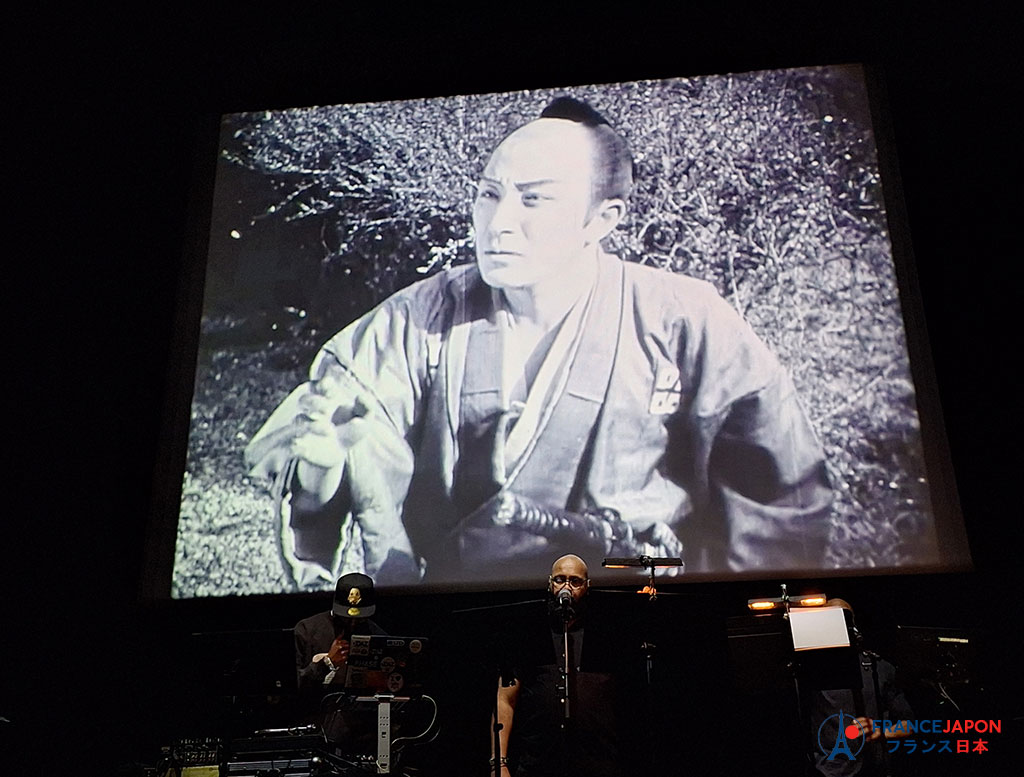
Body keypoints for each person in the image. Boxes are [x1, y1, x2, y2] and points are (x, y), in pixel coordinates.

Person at [246, 96, 833, 588]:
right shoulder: (417, 320)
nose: (499, 222)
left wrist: (728, 626)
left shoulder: (684, 319)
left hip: (637, 605)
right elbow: (327, 451)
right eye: (489, 194)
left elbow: (778, 498)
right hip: (463, 613)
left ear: (603, 219)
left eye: (533, 199)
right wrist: (322, 468)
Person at [493, 554, 628, 777]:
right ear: (550, 584)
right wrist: (499, 763)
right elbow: (505, 699)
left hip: (598, 764)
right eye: (560, 580)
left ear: (587, 586)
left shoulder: (607, 636)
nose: (567, 587)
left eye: (575, 581)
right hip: (538, 763)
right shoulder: (530, 635)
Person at [807, 599, 913, 777]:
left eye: (844, 619)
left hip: (876, 769)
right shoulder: (809, 672)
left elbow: (909, 724)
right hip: (830, 772)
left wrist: (883, 732)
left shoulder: (878, 667)